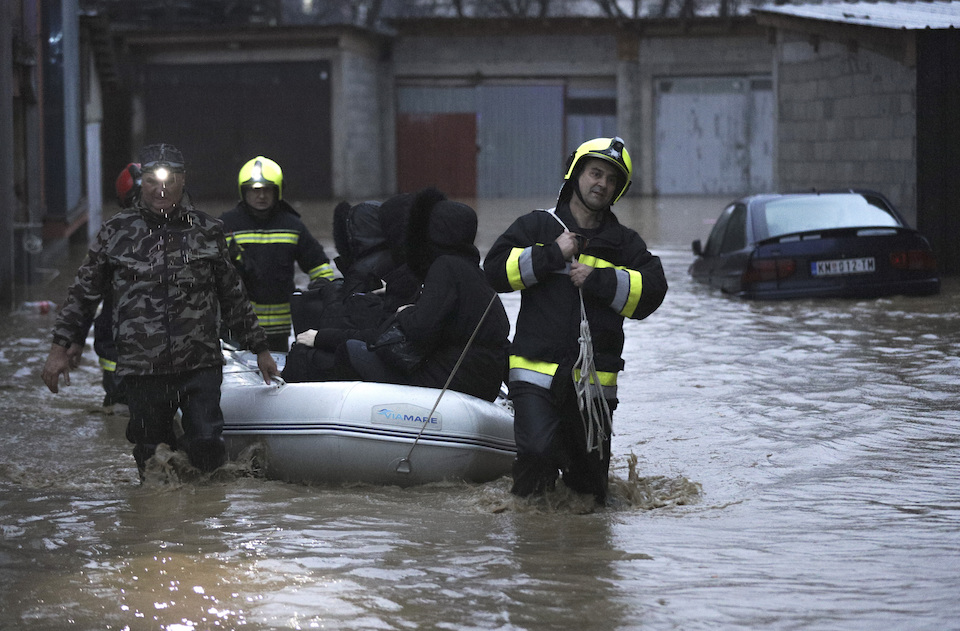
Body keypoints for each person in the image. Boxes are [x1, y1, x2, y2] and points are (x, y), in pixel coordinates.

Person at [41, 143, 280, 478]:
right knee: (152, 457)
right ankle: (154, 524)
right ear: (143, 184)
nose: (161, 188)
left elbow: (233, 295)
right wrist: (59, 349)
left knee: (207, 446)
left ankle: (204, 523)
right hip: (142, 369)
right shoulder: (116, 232)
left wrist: (261, 349)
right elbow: (83, 294)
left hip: (199, 365)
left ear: (182, 181)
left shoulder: (209, 231)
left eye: (169, 179)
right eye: (152, 179)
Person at [483, 136, 668, 504]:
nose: (601, 183)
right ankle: (533, 546)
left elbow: (652, 293)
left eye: (611, 179)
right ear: (575, 174)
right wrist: (552, 254)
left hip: (594, 386)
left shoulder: (624, 243)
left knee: (590, 492)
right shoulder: (537, 226)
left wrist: (598, 279)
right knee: (537, 456)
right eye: (595, 173)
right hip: (535, 376)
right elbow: (493, 273)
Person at [296, 187, 510, 403]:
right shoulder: (476, 273)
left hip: (451, 379)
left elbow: (420, 328)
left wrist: (405, 313)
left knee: (352, 351)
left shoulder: (444, 267)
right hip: (483, 382)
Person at [220, 156, 334, 351]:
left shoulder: (292, 226)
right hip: (237, 328)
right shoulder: (227, 226)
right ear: (243, 192)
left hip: (279, 331)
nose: (261, 196)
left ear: (277, 191)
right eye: (255, 190)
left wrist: (320, 296)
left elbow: (320, 268)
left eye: (267, 190)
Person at [92, 162, 142, 410]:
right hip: (118, 356)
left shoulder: (178, 235)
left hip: (160, 360)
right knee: (121, 417)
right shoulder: (112, 239)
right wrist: (68, 343)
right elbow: (85, 293)